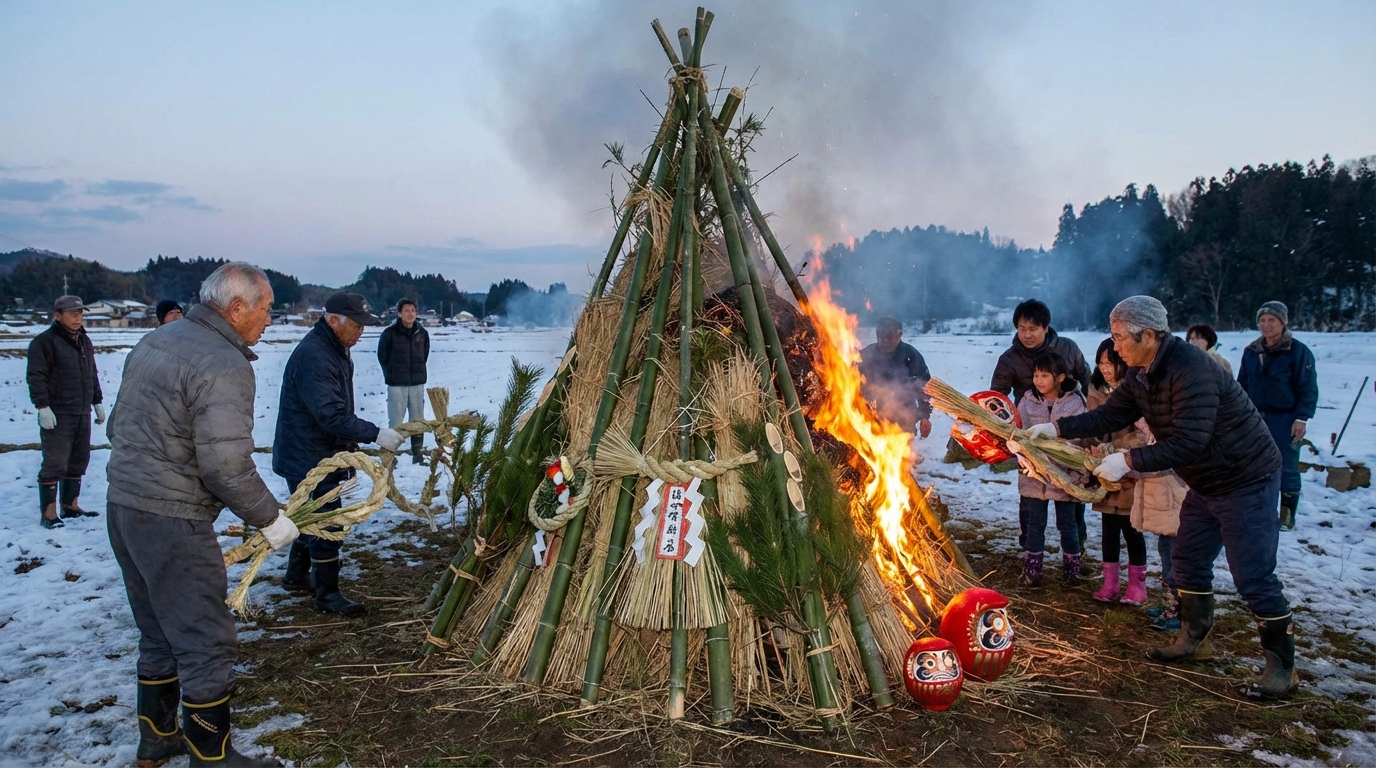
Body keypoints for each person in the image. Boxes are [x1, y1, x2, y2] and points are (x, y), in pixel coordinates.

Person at [1031, 295, 1297, 698]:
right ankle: (1195, 641)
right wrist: (1056, 430)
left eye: (1120, 337)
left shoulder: (1193, 370)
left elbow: (1190, 441)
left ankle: (1282, 667)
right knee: (1187, 563)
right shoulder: (1140, 373)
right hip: (1206, 482)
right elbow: (1109, 415)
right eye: (1113, 336)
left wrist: (1128, 461)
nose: (1115, 346)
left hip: (1246, 477)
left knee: (1253, 575)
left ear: (1149, 335)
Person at [106, 262, 299, 766]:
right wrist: (270, 518)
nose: (270, 319)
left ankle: (156, 739)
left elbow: (116, 427)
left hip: (124, 507)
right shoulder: (223, 362)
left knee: (157, 630)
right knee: (206, 639)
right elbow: (226, 466)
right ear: (236, 308)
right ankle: (213, 759)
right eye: (267, 308)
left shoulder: (156, 341)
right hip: (171, 519)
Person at [274, 291, 404, 616]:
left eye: (363, 325)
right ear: (333, 320)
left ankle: (295, 577)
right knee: (328, 523)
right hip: (308, 456)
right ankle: (327, 594)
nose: (361, 332)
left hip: (318, 451)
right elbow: (330, 415)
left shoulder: (336, 348)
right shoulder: (316, 356)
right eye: (356, 325)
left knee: (310, 517)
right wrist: (375, 434)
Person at [990, 299, 1091, 545]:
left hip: (1068, 434)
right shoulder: (1010, 359)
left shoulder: (1067, 348)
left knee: (1071, 491)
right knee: (1031, 492)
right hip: (1030, 437)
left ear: (1046, 328)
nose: (1027, 335)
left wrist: (1092, 422)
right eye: (1022, 328)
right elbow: (997, 399)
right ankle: (1030, 544)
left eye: (1033, 329)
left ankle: (1076, 543)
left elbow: (1088, 382)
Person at [1237, 301, 1317, 532]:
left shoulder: (1297, 351)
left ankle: (1287, 516)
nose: (1266, 324)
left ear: (1283, 322)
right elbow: (1242, 386)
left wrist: (1302, 417)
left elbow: (1308, 387)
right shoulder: (1252, 351)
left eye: (1272, 320)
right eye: (1262, 320)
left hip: (1286, 418)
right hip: (1254, 418)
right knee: (1253, 465)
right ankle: (1260, 510)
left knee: (1287, 466)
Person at [27, 295, 104, 529]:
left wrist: (97, 401)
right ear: (57, 316)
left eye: (80, 313)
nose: (77, 318)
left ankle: (70, 506)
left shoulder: (84, 341)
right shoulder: (44, 342)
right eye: (72, 314)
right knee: (55, 461)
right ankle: (49, 513)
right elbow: (36, 376)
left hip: (81, 410)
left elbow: (92, 372)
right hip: (58, 412)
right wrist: (42, 406)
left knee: (79, 460)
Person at [1084, 339, 1150, 605]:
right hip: (1103, 470)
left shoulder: (1135, 390)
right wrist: (1094, 448)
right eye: (1101, 363)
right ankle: (1110, 583)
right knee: (1108, 530)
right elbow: (1090, 425)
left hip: (1130, 469)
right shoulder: (1096, 390)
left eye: (1110, 363)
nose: (1105, 368)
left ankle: (1137, 586)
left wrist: (1117, 448)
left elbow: (1144, 434)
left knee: (1132, 530)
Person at [1013, 353, 1086, 587]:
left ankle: (1072, 570)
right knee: (1034, 522)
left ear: (1060, 377)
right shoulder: (1027, 401)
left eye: (1045, 375)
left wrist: (1067, 456)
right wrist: (1024, 455)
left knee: (1067, 523)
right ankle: (1033, 570)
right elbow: (1019, 430)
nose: (1038, 380)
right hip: (1034, 474)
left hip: (1064, 474)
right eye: (1035, 375)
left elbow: (1081, 437)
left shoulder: (1075, 403)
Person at [377, 297, 431, 463]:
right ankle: (391, 455)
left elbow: (425, 355)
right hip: (396, 384)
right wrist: (391, 374)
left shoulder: (422, 333)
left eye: (413, 310)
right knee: (396, 420)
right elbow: (382, 356)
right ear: (399, 313)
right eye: (406, 310)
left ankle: (417, 453)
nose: (410, 314)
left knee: (418, 420)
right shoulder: (389, 333)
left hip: (417, 383)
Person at [858, 317, 932, 437]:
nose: (884, 341)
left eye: (889, 337)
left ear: (899, 335)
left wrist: (925, 417)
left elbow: (925, 388)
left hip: (903, 418)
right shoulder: (866, 354)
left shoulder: (911, 356)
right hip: (870, 417)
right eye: (880, 336)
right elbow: (850, 382)